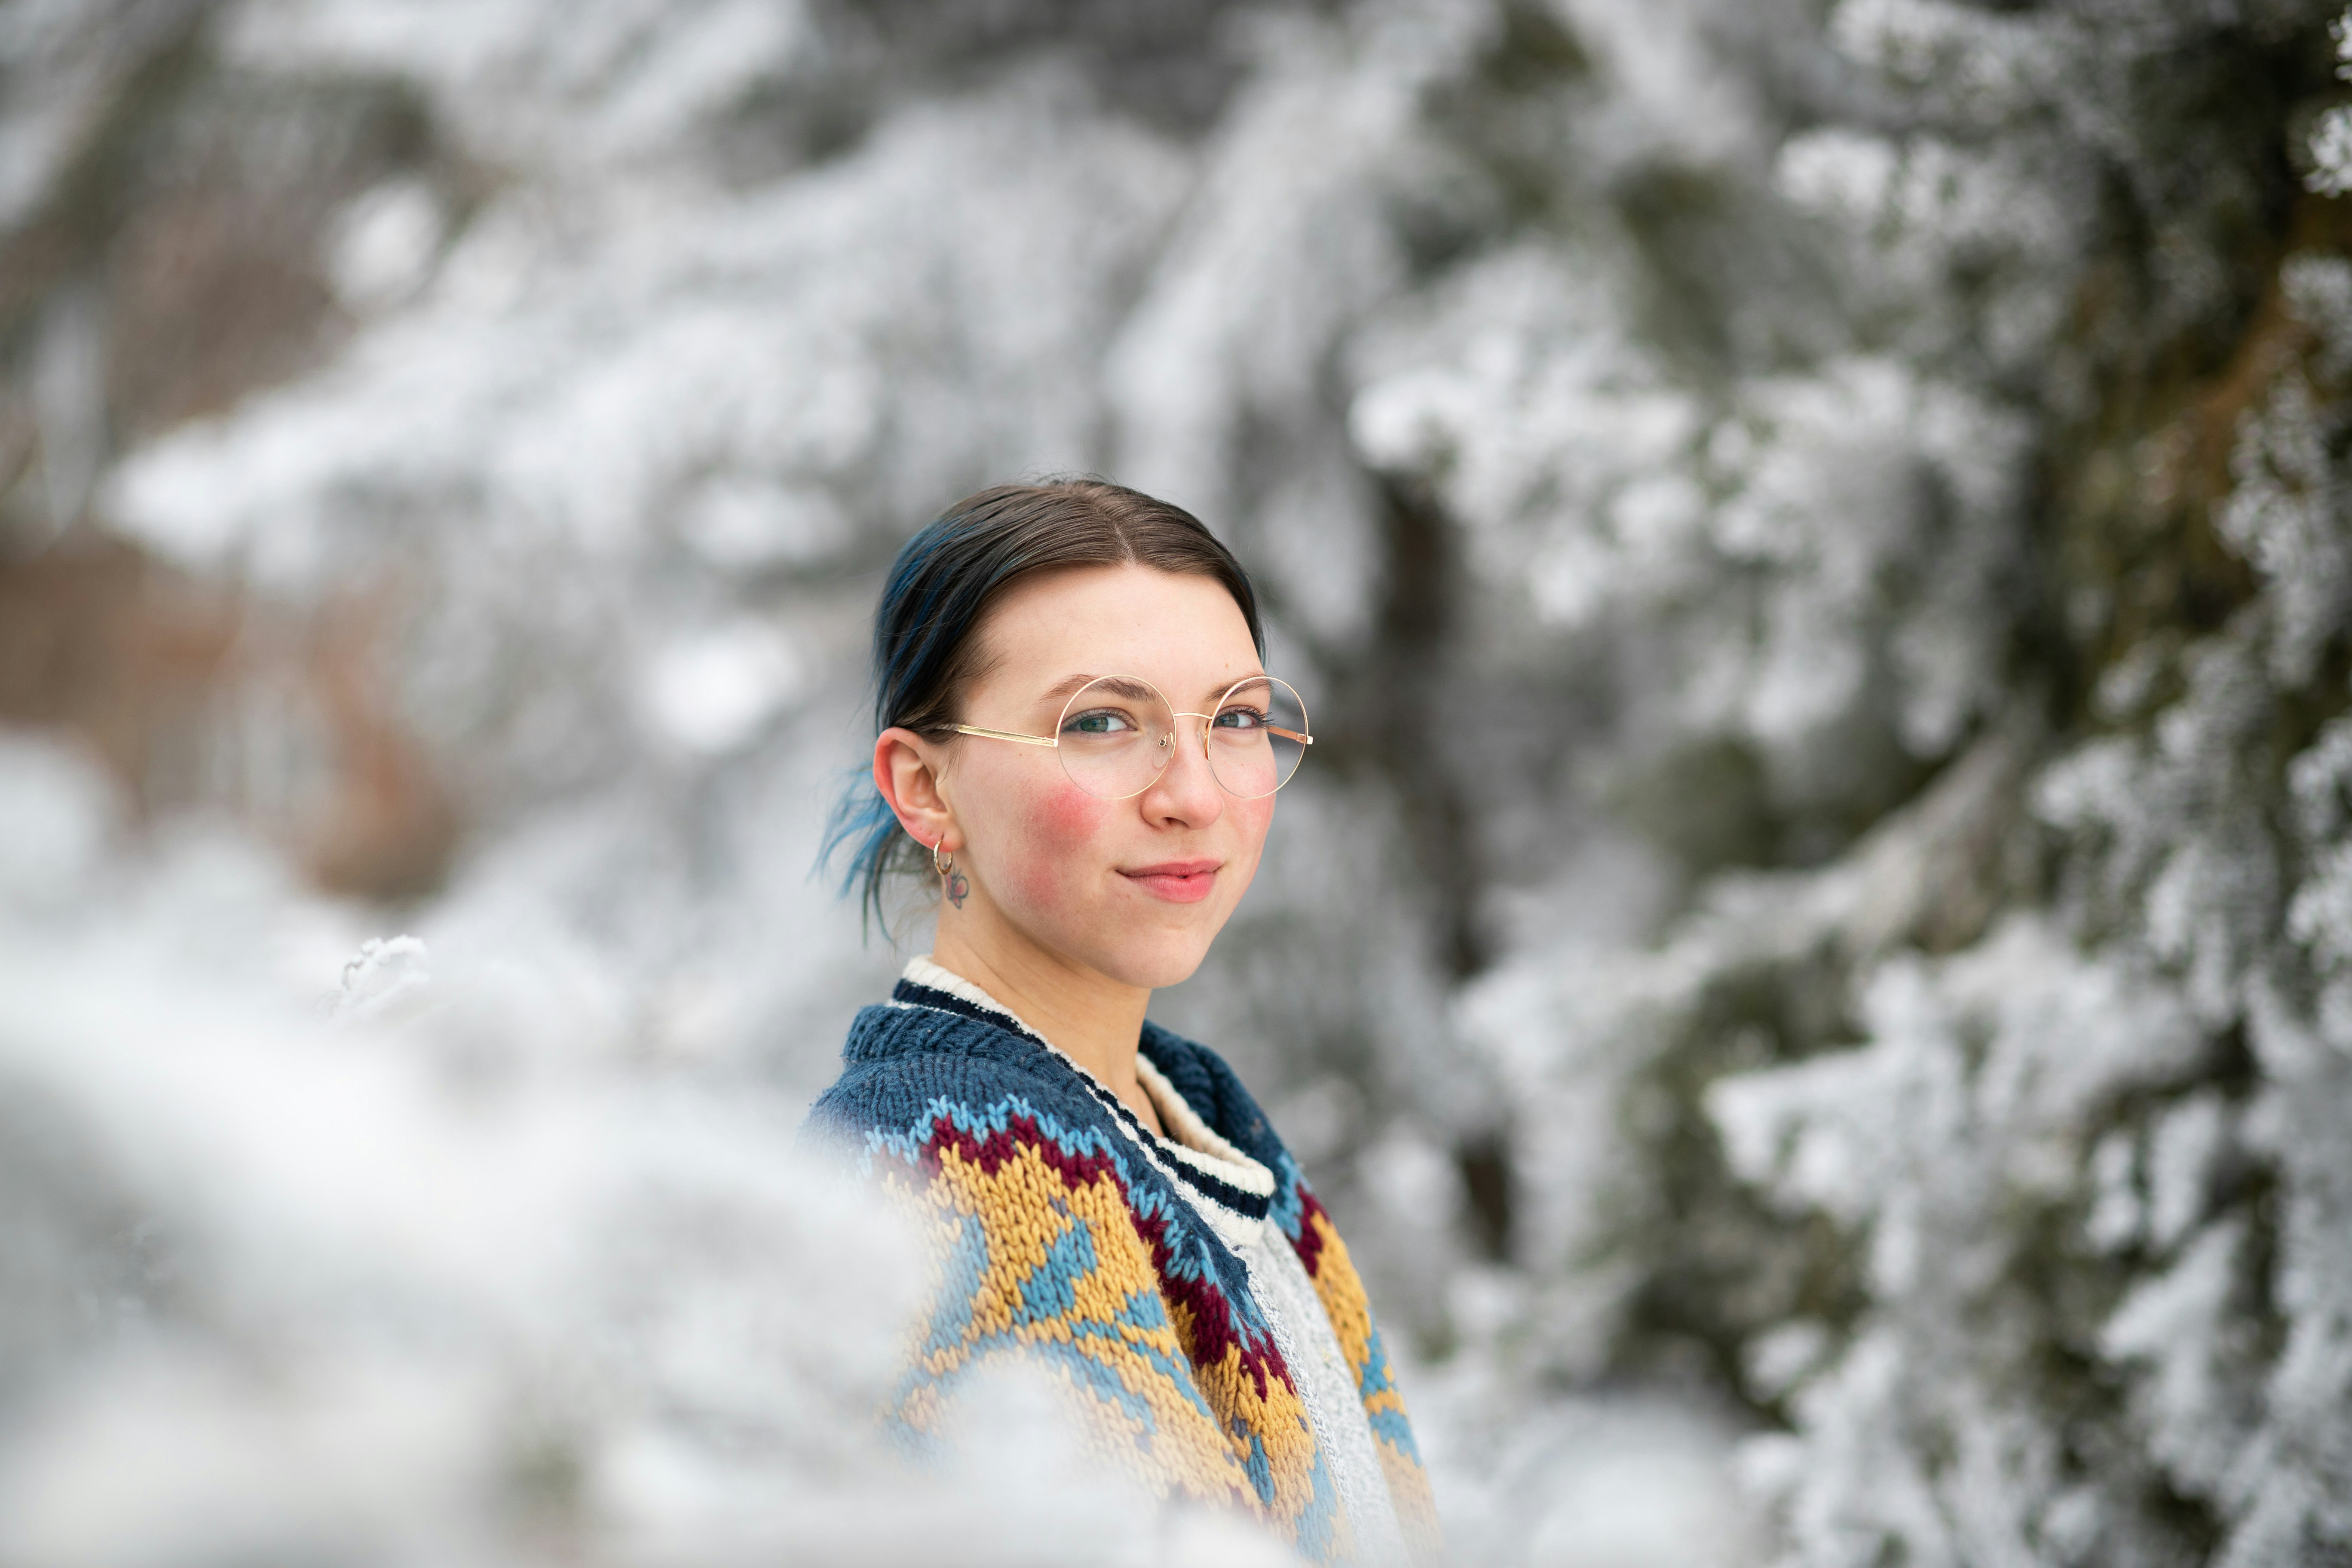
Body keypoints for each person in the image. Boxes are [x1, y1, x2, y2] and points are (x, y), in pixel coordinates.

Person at [803, 479, 1440, 1565]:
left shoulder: (1198, 1127)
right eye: (1103, 722)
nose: (1194, 791)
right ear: (926, 789)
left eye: (1235, 719)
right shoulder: (957, 1163)